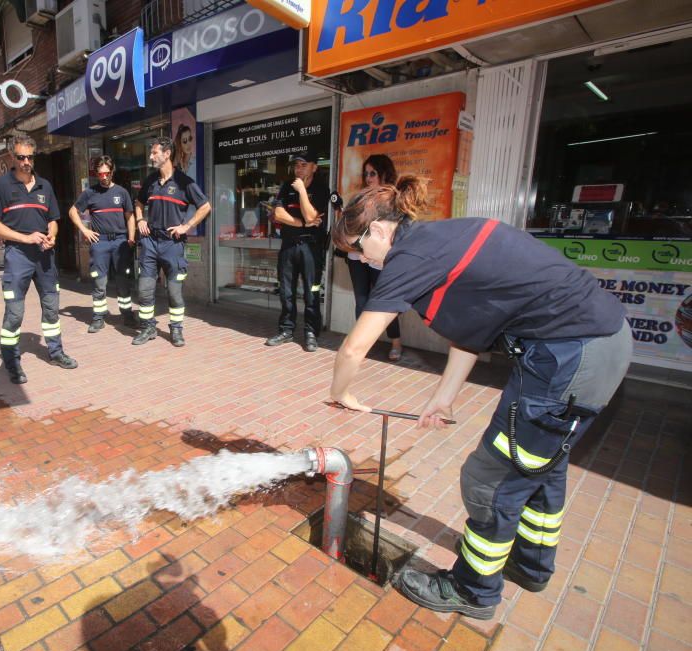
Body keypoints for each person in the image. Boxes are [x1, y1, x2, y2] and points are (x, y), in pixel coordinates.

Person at [328, 177, 631, 619]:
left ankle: (473, 590)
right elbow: (468, 334)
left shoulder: (406, 257)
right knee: (542, 467)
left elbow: (354, 347)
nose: (358, 258)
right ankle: (529, 566)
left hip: (570, 356)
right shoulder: (440, 239)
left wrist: (341, 394)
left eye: (356, 248)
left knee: (492, 475)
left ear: (376, 231)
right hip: (597, 344)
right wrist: (444, 397)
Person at [0, 133, 78, 384]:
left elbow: (53, 220)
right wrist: (24, 238)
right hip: (18, 256)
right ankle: (11, 360)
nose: (26, 161)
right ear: (11, 157)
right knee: (15, 312)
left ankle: (56, 353)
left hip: (45, 257)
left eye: (30, 157)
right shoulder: (1, 186)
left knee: (51, 308)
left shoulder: (44, 186)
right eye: (21, 157)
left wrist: (53, 235)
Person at [133, 137, 211, 347]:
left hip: (172, 244)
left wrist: (186, 226)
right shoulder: (150, 181)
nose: (151, 157)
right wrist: (140, 219)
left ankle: (176, 330)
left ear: (166, 154)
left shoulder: (184, 182)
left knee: (174, 292)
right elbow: (138, 202)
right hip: (150, 242)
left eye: (154, 153)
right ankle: (148, 327)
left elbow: (205, 207)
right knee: (144, 290)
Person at [264, 152, 330, 352]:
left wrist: (301, 191)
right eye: (296, 166)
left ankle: (311, 332)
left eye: (303, 164)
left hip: (311, 247)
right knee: (286, 291)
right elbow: (277, 213)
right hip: (288, 245)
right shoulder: (286, 186)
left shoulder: (321, 188)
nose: (298, 169)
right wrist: (303, 223)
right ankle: (286, 330)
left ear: (314, 167)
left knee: (311, 292)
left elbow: (313, 214)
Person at [68, 156, 137, 333]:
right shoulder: (90, 193)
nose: (104, 177)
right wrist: (85, 231)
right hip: (100, 242)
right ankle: (98, 317)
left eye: (107, 173)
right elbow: (72, 212)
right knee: (99, 281)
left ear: (112, 172)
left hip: (121, 241)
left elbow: (130, 216)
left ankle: (127, 314)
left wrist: (131, 237)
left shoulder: (122, 192)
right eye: (100, 174)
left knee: (123, 280)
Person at [348, 154, 403, 360]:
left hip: (380, 258)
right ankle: (361, 345)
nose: (369, 178)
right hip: (356, 257)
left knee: (384, 301)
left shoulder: (392, 198)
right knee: (361, 301)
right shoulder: (359, 197)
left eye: (373, 173)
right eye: (366, 174)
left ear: (384, 173)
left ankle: (396, 342)